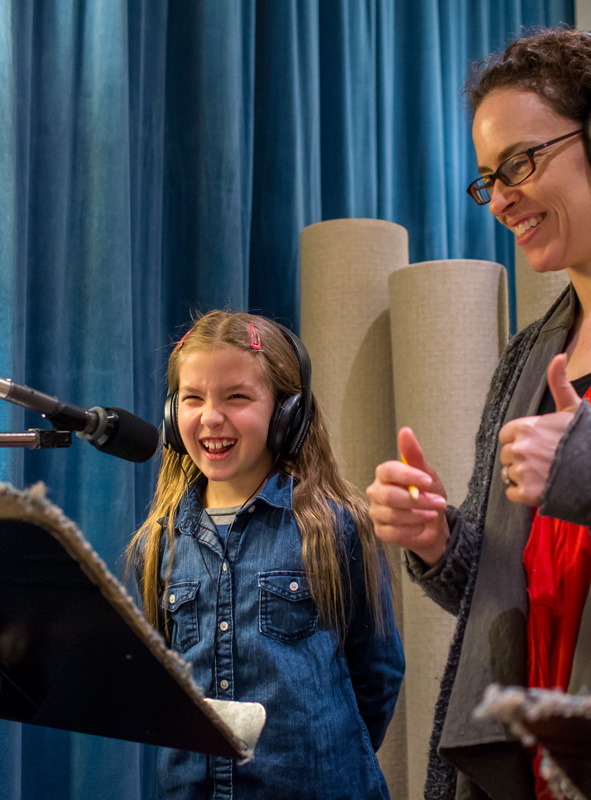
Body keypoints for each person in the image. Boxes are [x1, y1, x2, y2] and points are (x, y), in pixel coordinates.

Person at [366, 18, 591, 800]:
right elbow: (513, 592)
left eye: (520, 162)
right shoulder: (530, 354)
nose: (501, 199)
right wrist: (441, 541)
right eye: (488, 178)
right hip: (538, 772)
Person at [129, 310, 404, 800]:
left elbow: (377, 674)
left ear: (287, 414)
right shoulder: (159, 542)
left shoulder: (335, 526)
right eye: (192, 398)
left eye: (236, 397)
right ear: (172, 415)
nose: (211, 417)